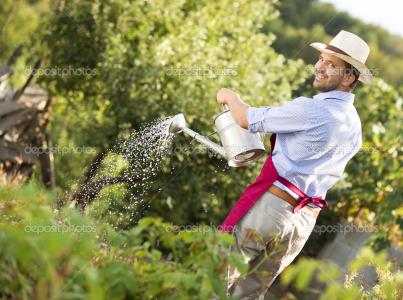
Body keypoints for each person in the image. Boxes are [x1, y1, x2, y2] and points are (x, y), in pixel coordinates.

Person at [216, 30, 373, 299]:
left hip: (270, 210)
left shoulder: (313, 109)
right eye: (322, 59)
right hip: (302, 224)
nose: (320, 66)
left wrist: (229, 96)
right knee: (249, 294)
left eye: (332, 64)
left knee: (217, 275)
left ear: (349, 77)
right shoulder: (355, 125)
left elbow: (245, 119)